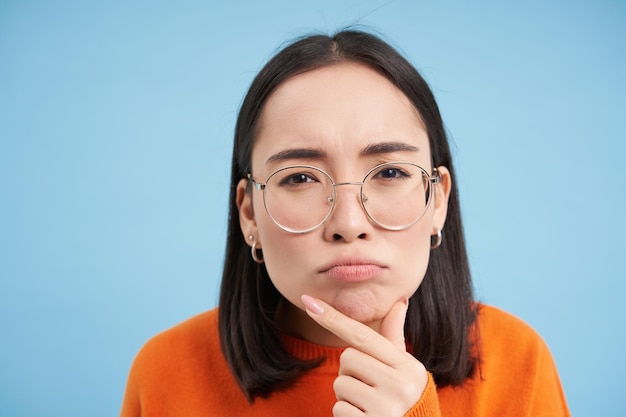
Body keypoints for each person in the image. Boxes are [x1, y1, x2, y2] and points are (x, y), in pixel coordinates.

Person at [119, 30, 570, 417]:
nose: (349, 223)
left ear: (438, 201)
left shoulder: (516, 362)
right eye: (299, 178)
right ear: (249, 214)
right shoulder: (167, 371)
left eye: (391, 173)